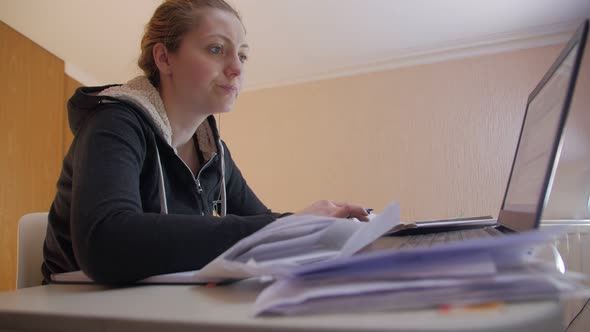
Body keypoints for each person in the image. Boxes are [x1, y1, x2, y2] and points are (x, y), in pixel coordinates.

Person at [42, 0, 369, 284]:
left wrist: (317, 227)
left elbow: (259, 218)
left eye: (242, 55)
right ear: (164, 59)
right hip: (76, 306)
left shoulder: (215, 152)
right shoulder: (114, 123)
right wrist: (284, 228)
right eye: (216, 49)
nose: (237, 68)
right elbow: (105, 242)